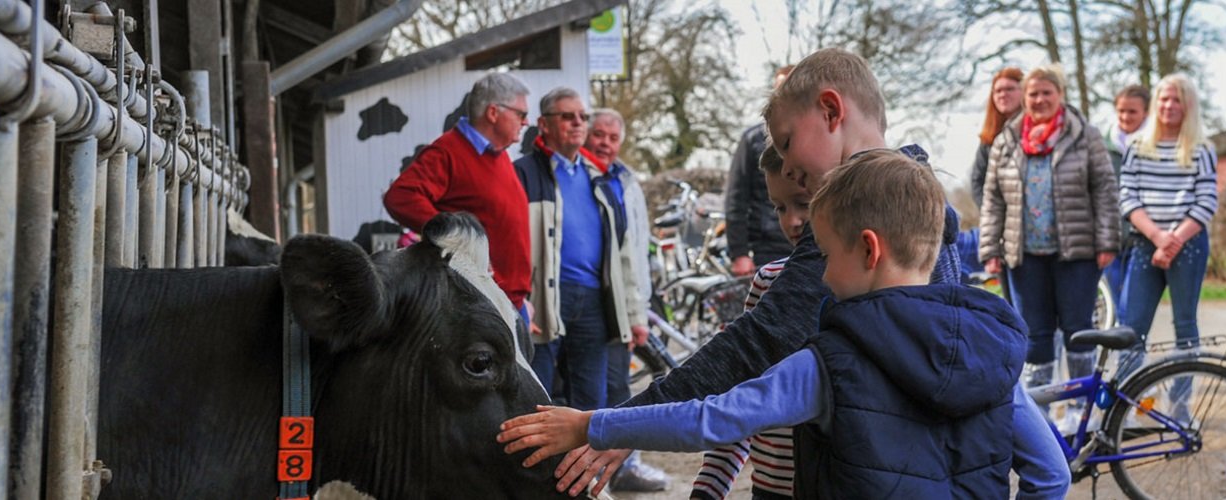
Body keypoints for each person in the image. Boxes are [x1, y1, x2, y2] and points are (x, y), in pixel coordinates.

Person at [535, 47, 1070, 500]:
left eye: (788, 141)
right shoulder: (983, 339)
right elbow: (1049, 471)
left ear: (832, 110)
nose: (790, 171)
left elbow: (739, 379)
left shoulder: (832, 361)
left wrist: (605, 424)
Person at [499, 150, 1027, 498]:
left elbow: (715, 419)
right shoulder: (993, 354)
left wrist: (592, 425)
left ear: (867, 249)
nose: (815, 270)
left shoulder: (829, 363)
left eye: (823, 254)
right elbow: (1048, 472)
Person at [979, 64, 1120, 432]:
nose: (1039, 100)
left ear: (1060, 95)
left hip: (1077, 253)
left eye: (1047, 93)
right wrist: (990, 247)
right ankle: (1040, 417)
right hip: (1024, 257)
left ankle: (1079, 412)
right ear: (1024, 99)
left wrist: (1107, 240)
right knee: (1035, 336)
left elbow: (1105, 189)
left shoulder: (1084, 135)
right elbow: (993, 199)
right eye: (1033, 94)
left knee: (1078, 331)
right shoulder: (1006, 140)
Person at [514, 88, 644, 411]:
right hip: (543, 299)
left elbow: (623, 254)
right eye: (567, 116)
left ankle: (588, 464)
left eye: (582, 117)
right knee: (538, 396)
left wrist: (633, 315)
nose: (577, 123)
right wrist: (518, 299)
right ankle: (539, 464)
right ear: (544, 124)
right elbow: (509, 243)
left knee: (591, 402)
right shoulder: (524, 173)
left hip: (594, 302)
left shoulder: (600, 178)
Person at [692, 145, 808, 500]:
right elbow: (743, 399)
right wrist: (708, 491)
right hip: (770, 489)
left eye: (803, 203)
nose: (791, 221)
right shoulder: (767, 282)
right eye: (779, 207)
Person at [382, 73, 533, 320]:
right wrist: (456, 236)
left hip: (509, 301)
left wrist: (521, 300)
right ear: (493, 113)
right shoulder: (448, 152)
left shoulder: (499, 155)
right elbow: (401, 196)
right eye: (521, 114)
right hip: (481, 304)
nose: (526, 122)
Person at [582, 108, 671, 492]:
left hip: (626, 303)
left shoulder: (627, 179)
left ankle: (623, 465)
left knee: (619, 388)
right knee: (590, 389)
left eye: (612, 137)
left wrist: (639, 307)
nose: (605, 143)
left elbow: (634, 247)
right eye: (598, 134)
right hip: (592, 299)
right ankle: (588, 471)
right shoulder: (578, 177)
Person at [1116, 74, 1218, 390]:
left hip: (1187, 245)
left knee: (1185, 323)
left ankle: (1181, 401)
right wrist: (1158, 237)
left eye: (1177, 99)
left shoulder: (1201, 148)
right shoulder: (1136, 147)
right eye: (1164, 99)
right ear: (1155, 104)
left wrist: (1173, 241)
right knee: (1132, 325)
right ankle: (1126, 399)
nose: (1170, 106)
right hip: (1146, 243)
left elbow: (1206, 200)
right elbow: (1127, 196)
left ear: (1188, 105)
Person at [726, 66, 797, 276]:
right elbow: (736, 198)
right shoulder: (752, 140)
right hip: (767, 247)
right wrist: (739, 253)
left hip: (811, 241)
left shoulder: (821, 137)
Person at [962, 68, 1025, 277]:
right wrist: (991, 213)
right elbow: (977, 180)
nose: (1003, 94)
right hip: (1002, 229)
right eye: (997, 91)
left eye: (1009, 89)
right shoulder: (989, 139)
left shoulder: (1033, 131)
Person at [1105, 84, 1152, 322]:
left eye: (1132, 112)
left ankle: (1133, 356)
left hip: (1141, 238)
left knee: (1131, 308)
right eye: (1121, 111)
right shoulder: (1103, 146)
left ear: (1145, 112)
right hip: (1110, 240)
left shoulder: (1155, 144)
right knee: (1115, 308)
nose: (1125, 117)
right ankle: (1126, 356)